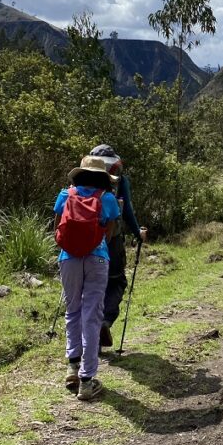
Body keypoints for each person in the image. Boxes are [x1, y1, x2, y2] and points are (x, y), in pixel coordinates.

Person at [54, 156, 121, 401]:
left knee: (72, 311)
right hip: (97, 259)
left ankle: (72, 367)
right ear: (103, 177)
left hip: (68, 259)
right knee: (92, 317)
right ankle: (86, 381)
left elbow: (57, 230)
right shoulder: (107, 198)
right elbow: (110, 234)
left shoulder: (65, 194)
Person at [88, 144, 147, 347]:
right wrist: (138, 233)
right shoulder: (120, 180)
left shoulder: (81, 179)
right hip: (111, 241)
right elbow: (127, 210)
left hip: (82, 244)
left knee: (89, 286)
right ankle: (105, 321)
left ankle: (86, 338)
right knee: (116, 281)